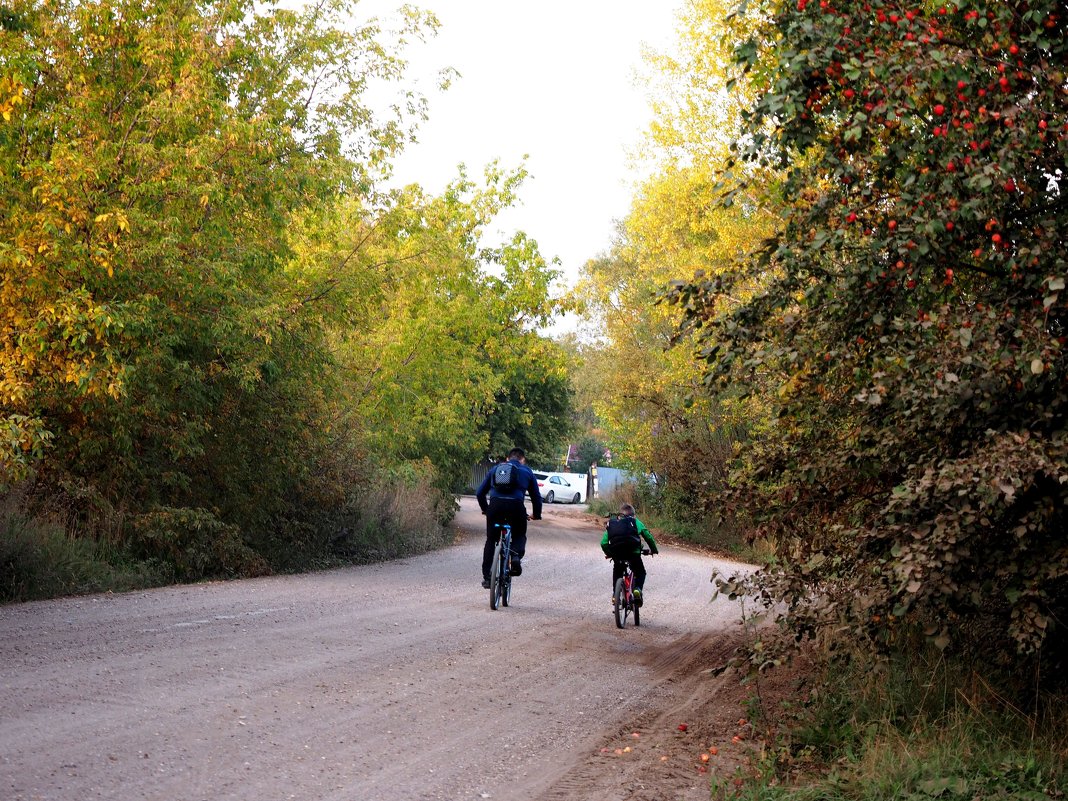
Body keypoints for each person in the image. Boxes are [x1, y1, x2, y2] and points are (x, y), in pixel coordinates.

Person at [475, 447, 542, 588]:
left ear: (507, 458)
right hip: (516, 508)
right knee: (519, 535)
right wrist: (536, 514)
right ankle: (515, 556)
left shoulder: (495, 469)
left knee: (491, 540)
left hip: (495, 507)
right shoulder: (527, 471)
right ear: (522, 460)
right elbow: (536, 497)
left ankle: (488, 577)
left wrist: (486, 510)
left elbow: (480, 493)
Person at [601, 503, 658, 606]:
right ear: (634, 515)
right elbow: (648, 537)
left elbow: (603, 543)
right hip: (633, 554)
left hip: (618, 555)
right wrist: (653, 550)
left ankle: (615, 595)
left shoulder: (613, 524)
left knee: (617, 571)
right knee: (640, 573)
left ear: (619, 515)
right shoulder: (636, 522)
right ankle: (637, 589)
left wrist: (610, 553)